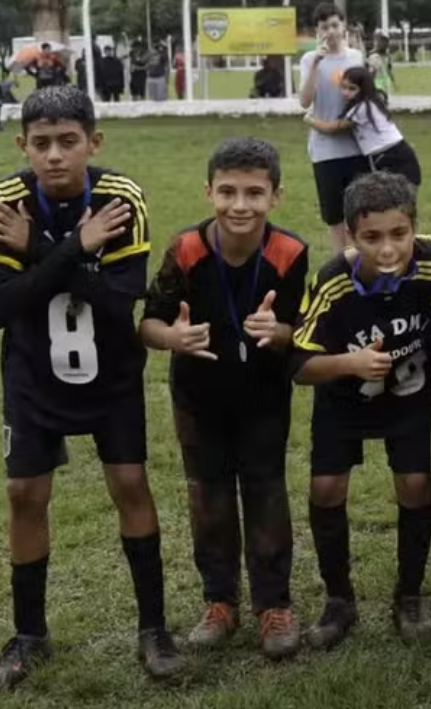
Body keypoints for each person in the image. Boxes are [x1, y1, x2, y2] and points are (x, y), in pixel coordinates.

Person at [0, 86, 183, 687]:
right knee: (25, 494)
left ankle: (153, 627)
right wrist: (76, 247)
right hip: (30, 370)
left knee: (130, 482)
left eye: (68, 142)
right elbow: (7, 305)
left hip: (110, 373)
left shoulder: (120, 197)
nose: (54, 156)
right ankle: (29, 633)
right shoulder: (5, 200)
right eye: (42, 144)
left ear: (93, 143)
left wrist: (40, 253)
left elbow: (114, 306)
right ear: (23, 145)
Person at [140, 137, 309, 660]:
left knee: (265, 491)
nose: (241, 205)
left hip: (263, 394)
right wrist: (173, 339)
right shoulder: (184, 249)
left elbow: (305, 330)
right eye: (228, 192)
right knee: (207, 496)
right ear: (208, 190)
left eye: (255, 193)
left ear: (275, 196)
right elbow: (148, 323)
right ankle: (219, 601)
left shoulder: (290, 253)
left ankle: (273, 604)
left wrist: (276, 331)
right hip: (198, 395)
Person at [290, 172, 431, 649]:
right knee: (326, 486)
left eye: (399, 235)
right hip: (345, 399)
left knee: (416, 484)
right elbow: (298, 365)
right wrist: (350, 363)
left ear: (414, 227)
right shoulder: (334, 280)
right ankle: (339, 598)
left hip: (409, 396)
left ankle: (409, 594)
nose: (387, 250)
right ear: (351, 236)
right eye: (372, 238)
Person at [298, 2, 367, 256]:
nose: (331, 31)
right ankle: (342, 264)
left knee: (359, 211)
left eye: (335, 25)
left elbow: (366, 97)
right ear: (318, 30)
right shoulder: (309, 60)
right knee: (334, 215)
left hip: (356, 146)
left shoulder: (355, 57)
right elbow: (304, 102)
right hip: (325, 151)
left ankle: (362, 259)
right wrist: (316, 63)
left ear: (343, 26)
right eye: (325, 26)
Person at [307, 66, 421, 187]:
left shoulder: (361, 109)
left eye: (352, 89)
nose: (346, 92)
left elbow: (332, 128)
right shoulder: (372, 102)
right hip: (396, 153)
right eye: (343, 87)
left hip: (389, 157)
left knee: (393, 199)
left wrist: (311, 120)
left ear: (363, 89)